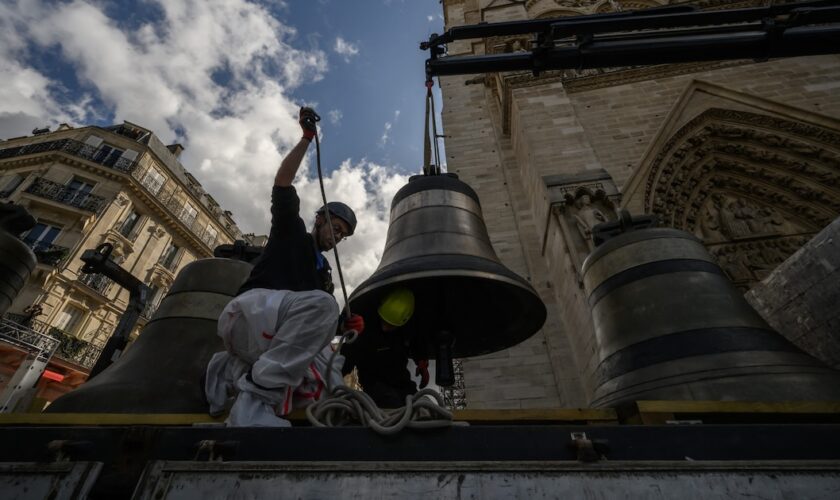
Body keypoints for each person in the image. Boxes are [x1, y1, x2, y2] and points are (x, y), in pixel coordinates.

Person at [204, 107, 365, 427]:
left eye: (343, 235)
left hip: (268, 337)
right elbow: (282, 182)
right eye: (335, 226)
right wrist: (306, 139)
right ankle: (253, 402)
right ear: (319, 219)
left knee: (332, 371)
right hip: (250, 314)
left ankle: (244, 381)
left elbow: (307, 328)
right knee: (324, 305)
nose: (337, 236)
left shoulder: (323, 278)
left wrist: (342, 329)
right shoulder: (291, 232)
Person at [341, 287, 430, 408]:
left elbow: (416, 342)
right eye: (384, 322)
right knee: (391, 403)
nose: (385, 327)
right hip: (375, 386)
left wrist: (421, 360)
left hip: (401, 382)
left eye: (391, 325)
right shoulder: (366, 329)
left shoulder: (407, 330)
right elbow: (346, 359)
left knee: (422, 404)